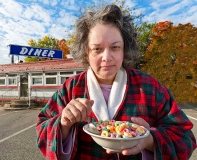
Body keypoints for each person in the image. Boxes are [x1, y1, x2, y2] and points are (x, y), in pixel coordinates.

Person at [36, 4, 197, 160]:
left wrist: (150, 140)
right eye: (97, 49)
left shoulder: (150, 87)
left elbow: (185, 137)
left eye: (115, 47)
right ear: (86, 52)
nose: (107, 57)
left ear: (125, 48)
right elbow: (42, 131)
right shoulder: (69, 89)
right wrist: (64, 124)